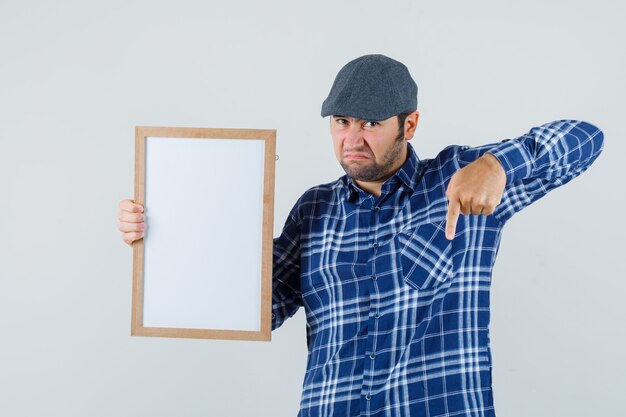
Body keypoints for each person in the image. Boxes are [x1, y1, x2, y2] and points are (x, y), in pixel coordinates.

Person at [117, 54, 604, 417]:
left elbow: (586, 137)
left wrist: (496, 165)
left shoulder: (459, 179)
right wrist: (163, 235)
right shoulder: (314, 210)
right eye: (342, 122)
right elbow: (258, 306)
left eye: (371, 122)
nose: (353, 137)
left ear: (408, 124)